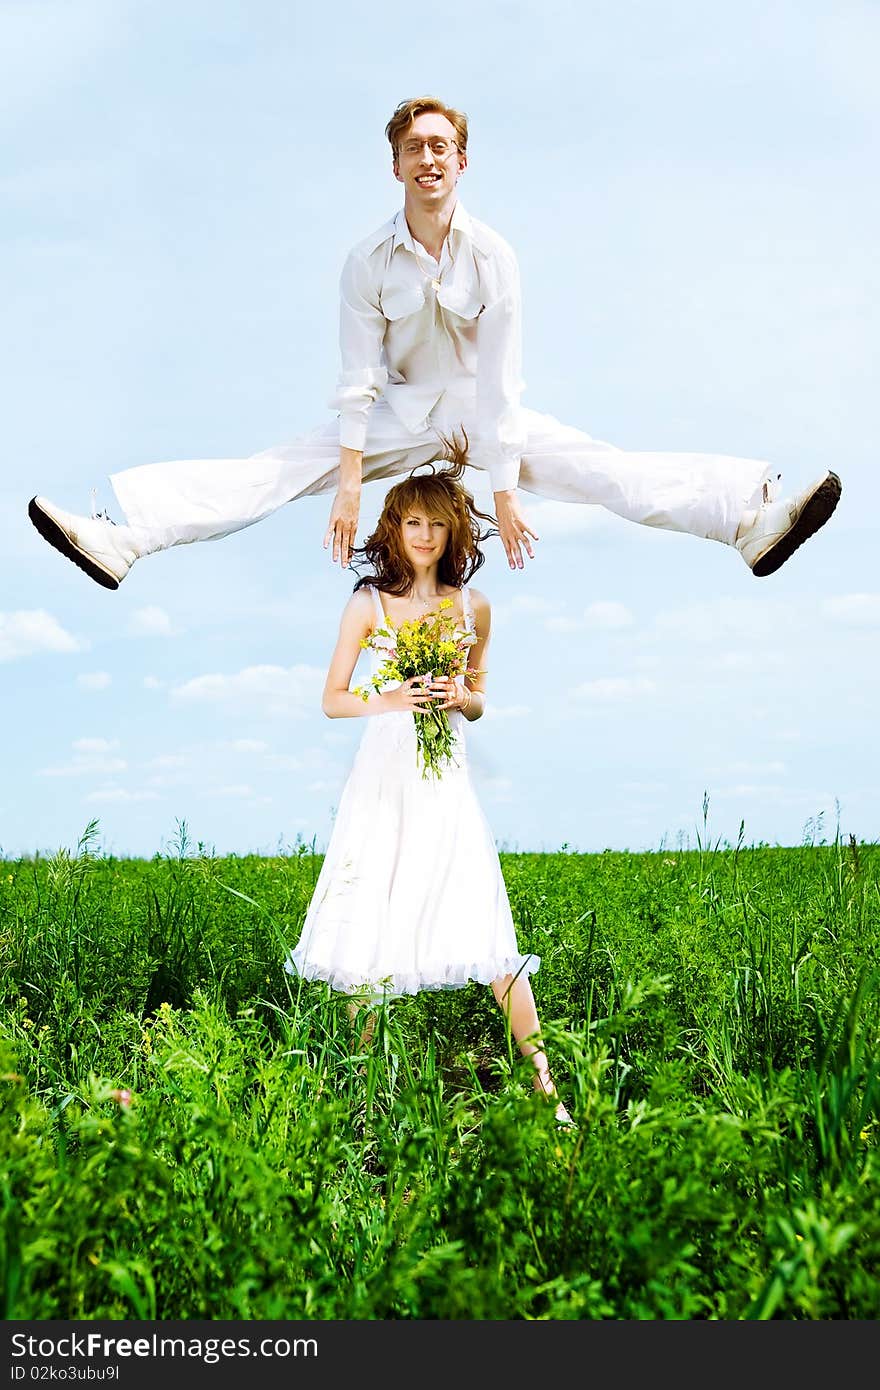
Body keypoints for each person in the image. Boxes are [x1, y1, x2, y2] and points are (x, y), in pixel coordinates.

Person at [28, 94, 841, 589]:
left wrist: (506, 489)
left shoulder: (496, 256)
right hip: (398, 411)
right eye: (414, 146)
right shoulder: (363, 262)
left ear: (462, 162)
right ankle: (124, 533)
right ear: (395, 165)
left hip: (486, 411)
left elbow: (502, 383)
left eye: (440, 146)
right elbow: (355, 382)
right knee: (276, 470)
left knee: (602, 469)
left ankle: (749, 518)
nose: (428, 157)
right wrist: (349, 484)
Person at [283, 441, 573, 1126]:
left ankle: (548, 1094)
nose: (423, 535)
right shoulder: (367, 603)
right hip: (383, 778)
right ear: (394, 528)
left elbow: (479, 697)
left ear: (453, 533)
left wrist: (454, 699)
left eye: (436, 524)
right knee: (369, 923)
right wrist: (394, 700)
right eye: (412, 522)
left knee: (489, 922)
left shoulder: (475, 607)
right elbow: (332, 697)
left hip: (445, 779)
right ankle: (366, 1104)